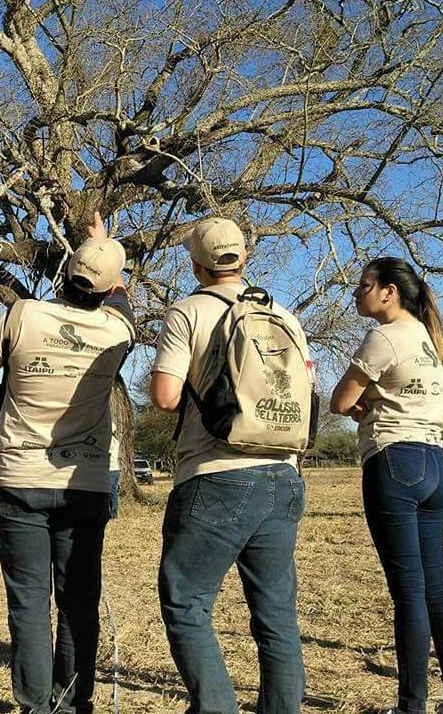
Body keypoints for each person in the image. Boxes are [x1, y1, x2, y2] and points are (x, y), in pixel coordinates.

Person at [0, 212, 135, 714]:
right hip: (85, 480)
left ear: (65, 274)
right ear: (109, 289)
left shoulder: (24, 315)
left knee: (29, 602)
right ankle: (75, 701)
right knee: (78, 601)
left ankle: (34, 706)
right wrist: (104, 246)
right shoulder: (119, 331)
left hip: (20, 478)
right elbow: (121, 297)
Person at [150, 217, 310, 714]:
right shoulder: (283, 314)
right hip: (283, 473)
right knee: (276, 616)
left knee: (187, 602)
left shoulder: (187, 311)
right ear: (245, 257)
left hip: (216, 473)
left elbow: (165, 396)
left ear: (195, 265)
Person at [331, 257, 443, 714]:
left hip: (394, 462)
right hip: (436, 464)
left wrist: (362, 405)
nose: (357, 293)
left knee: (408, 593)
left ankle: (412, 707)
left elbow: (339, 401)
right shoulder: (430, 339)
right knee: (437, 590)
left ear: (388, 291)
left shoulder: (384, 337)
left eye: (364, 285)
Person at [108, 432, 122, 519]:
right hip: (113, 470)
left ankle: (113, 513)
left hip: (111, 469)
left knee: (112, 492)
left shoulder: (111, 441)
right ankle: (111, 512)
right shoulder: (114, 441)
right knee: (111, 492)